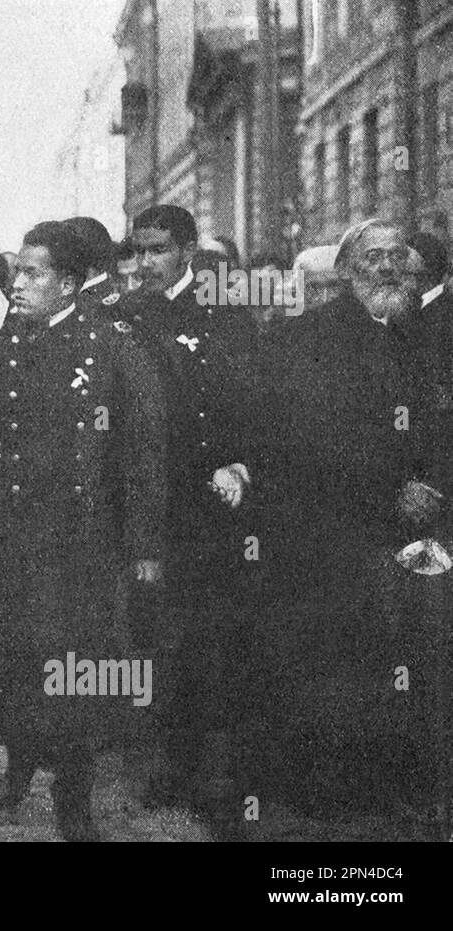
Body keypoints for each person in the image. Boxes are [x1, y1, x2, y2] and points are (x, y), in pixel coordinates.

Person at [0, 221, 167, 841]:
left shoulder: (111, 345)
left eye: (33, 273)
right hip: (10, 535)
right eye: (17, 272)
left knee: (73, 670)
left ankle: (74, 797)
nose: (17, 284)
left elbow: (144, 451)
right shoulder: (1, 342)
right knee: (13, 662)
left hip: (81, 540)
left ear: (69, 283)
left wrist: (144, 546)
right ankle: (18, 765)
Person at [257, 219, 443, 817]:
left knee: (400, 656)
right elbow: (311, 437)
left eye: (396, 256)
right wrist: (393, 489)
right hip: (330, 529)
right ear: (345, 271)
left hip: (406, 530)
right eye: (372, 257)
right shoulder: (309, 338)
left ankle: (387, 785)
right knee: (333, 664)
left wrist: (431, 485)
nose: (386, 267)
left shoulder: (415, 333)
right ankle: (325, 793)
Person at [121, 205, 261, 838]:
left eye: (156, 251)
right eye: (138, 251)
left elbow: (251, 397)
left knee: (212, 634)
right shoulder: (123, 318)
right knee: (155, 631)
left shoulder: (225, 314)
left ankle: (214, 773)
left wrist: (239, 464)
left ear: (185, 251)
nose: (144, 263)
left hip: (213, 504)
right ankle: (167, 761)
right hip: (149, 504)